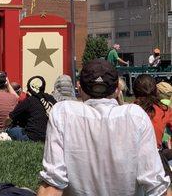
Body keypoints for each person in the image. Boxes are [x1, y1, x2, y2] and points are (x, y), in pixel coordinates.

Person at [38, 59, 171, 196]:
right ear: (117, 89)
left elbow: (53, 184)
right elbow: (157, 186)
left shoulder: (62, 113)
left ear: (79, 88)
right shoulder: (136, 116)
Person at [8, 76, 56, 142]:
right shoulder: (51, 99)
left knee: (11, 130)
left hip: (33, 137)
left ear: (30, 88)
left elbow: (10, 117)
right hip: (51, 137)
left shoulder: (29, 100)